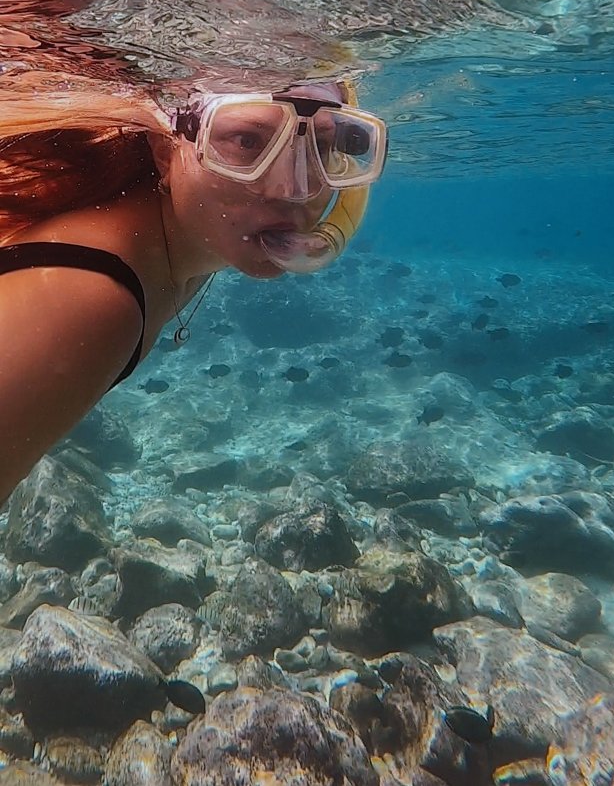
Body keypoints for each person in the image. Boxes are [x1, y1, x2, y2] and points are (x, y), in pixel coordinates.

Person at [0, 73, 388, 502]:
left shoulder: (200, 238)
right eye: (247, 141)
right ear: (166, 150)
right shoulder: (87, 298)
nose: (296, 188)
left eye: (325, 145)